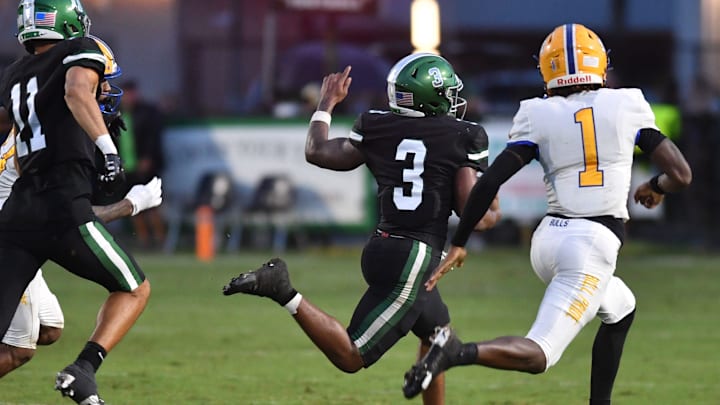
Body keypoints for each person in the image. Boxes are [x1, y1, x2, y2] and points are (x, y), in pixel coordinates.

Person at [402, 23, 692, 405]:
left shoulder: (538, 113)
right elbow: (682, 175)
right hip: (590, 246)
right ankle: (456, 351)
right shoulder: (628, 103)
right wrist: (655, 187)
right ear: (600, 66)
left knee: (621, 309)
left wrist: (459, 241)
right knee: (540, 355)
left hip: (548, 240)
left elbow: (488, 184)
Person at [223, 53, 501, 405]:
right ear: (431, 97)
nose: (453, 99)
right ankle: (282, 290)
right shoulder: (464, 134)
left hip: (381, 247)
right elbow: (470, 211)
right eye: (447, 91)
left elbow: (317, 151)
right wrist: (494, 209)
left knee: (438, 336)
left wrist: (326, 102)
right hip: (415, 258)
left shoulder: (376, 125)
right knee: (352, 355)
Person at [0, 1, 152, 403]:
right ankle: (83, 370)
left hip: (16, 215)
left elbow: (34, 115)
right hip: (62, 208)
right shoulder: (81, 47)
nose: (107, 87)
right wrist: (108, 150)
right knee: (134, 289)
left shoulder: (14, 74)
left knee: (31, 334)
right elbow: (74, 89)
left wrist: (89, 129)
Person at [117, 79, 166, 249]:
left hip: (145, 166)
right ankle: (143, 239)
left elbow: (153, 138)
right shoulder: (117, 113)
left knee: (152, 204)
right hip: (126, 166)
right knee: (133, 204)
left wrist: (148, 158)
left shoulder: (148, 113)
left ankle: (160, 239)